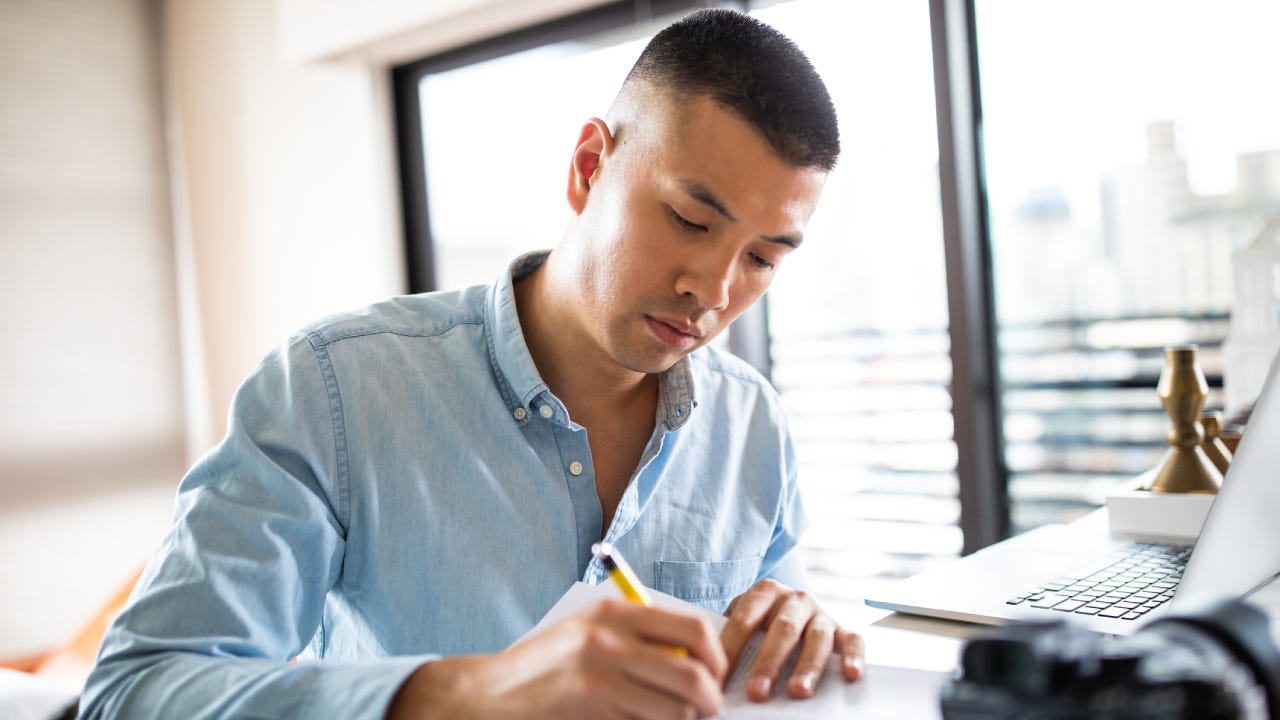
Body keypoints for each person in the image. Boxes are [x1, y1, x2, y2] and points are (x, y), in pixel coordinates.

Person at [80, 8, 863, 719]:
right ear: (589, 167)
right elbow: (134, 690)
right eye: (691, 220)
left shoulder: (753, 421)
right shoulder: (334, 389)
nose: (714, 292)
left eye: (763, 258)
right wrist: (467, 693)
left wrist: (800, 631)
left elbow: (768, 656)